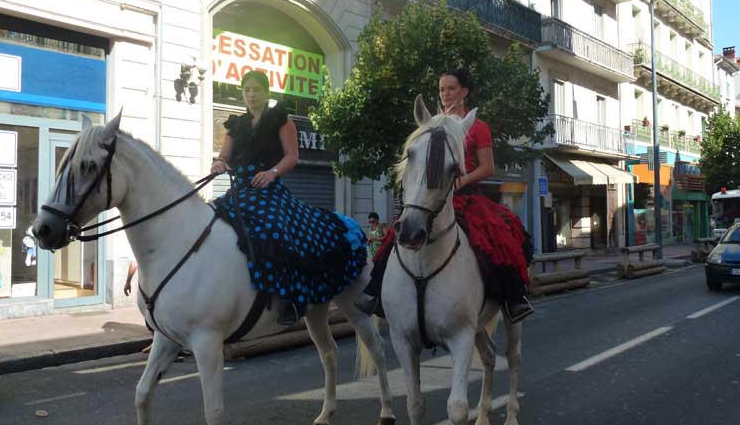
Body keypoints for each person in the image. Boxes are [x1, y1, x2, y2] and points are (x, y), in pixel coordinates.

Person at [358, 68, 533, 323]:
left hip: (466, 195)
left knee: (498, 238)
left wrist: (462, 180)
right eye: (442, 89)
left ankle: (513, 298)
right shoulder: (431, 125)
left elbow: (487, 167)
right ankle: (374, 292)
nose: (446, 94)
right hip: (431, 197)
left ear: (464, 91)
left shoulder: (478, 127)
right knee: (391, 240)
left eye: (451, 88)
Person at [211, 70, 367, 326]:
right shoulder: (235, 125)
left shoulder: (281, 120)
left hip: (268, 189)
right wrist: (218, 163)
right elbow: (224, 157)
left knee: (274, 230)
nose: (251, 95)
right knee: (214, 223)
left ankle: (291, 299)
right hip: (239, 190)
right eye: (247, 90)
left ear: (267, 92)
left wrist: (271, 173)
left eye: (257, 90)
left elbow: (291, 157)